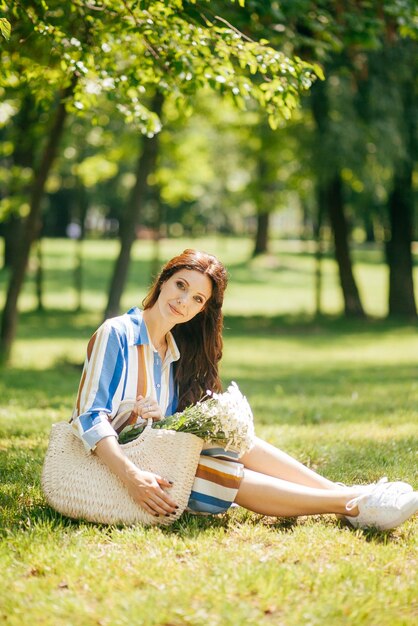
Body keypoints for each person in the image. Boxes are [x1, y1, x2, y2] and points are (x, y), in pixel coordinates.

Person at [71, 249, 418, 530]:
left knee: (235, 440)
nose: (183, 301)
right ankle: (354, 505)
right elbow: (89, 416)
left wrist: (166, 417)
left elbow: (165, 427)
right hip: (117, 467)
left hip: (158, 457)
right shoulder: (117, 333)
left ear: (201, 310)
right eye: (180, 285)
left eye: (196, 298)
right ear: (162, 281)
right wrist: (133, 477)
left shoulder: (175, 352)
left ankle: (346, 495)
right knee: (218, 472)